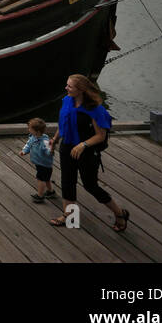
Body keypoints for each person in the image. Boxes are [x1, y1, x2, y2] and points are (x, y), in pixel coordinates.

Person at [50, 74, 130, 232]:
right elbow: (63, 123)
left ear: (80, 90)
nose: (66, 88)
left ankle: (120, 214)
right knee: (67, 182)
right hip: (67, 147)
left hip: (86, 152)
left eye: (70, 86)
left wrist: (83, 145)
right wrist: (55, 139)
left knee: (90, 185)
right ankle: (69, 217)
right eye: (67, 85)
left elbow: (101, 135)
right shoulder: (66, 101)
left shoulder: (94, 109)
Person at [19, 117, 55, 202]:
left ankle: (40, 195)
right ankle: (51, 192)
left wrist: (51, 150)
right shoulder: (33, 137)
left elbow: (48, 152)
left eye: (30, 129)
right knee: (46, 179)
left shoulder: (45, 141)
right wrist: (24, 151)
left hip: (44, 165)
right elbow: (28, 145)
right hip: (39, 163)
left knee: (40, 179)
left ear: (37, 131)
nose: (29, 130)